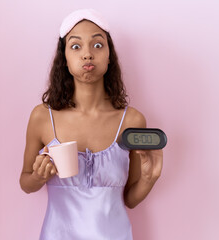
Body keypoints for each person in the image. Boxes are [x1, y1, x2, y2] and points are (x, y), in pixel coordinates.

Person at [19, 9, 163, 240]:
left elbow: (129, 200)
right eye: (76, 46)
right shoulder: (42, 118)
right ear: (64, 58)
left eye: (97, 45)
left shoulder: (132, 121)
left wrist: (149, 179)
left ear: (109, 55)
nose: (87, 54)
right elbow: (25, 183)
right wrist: (38, 176)